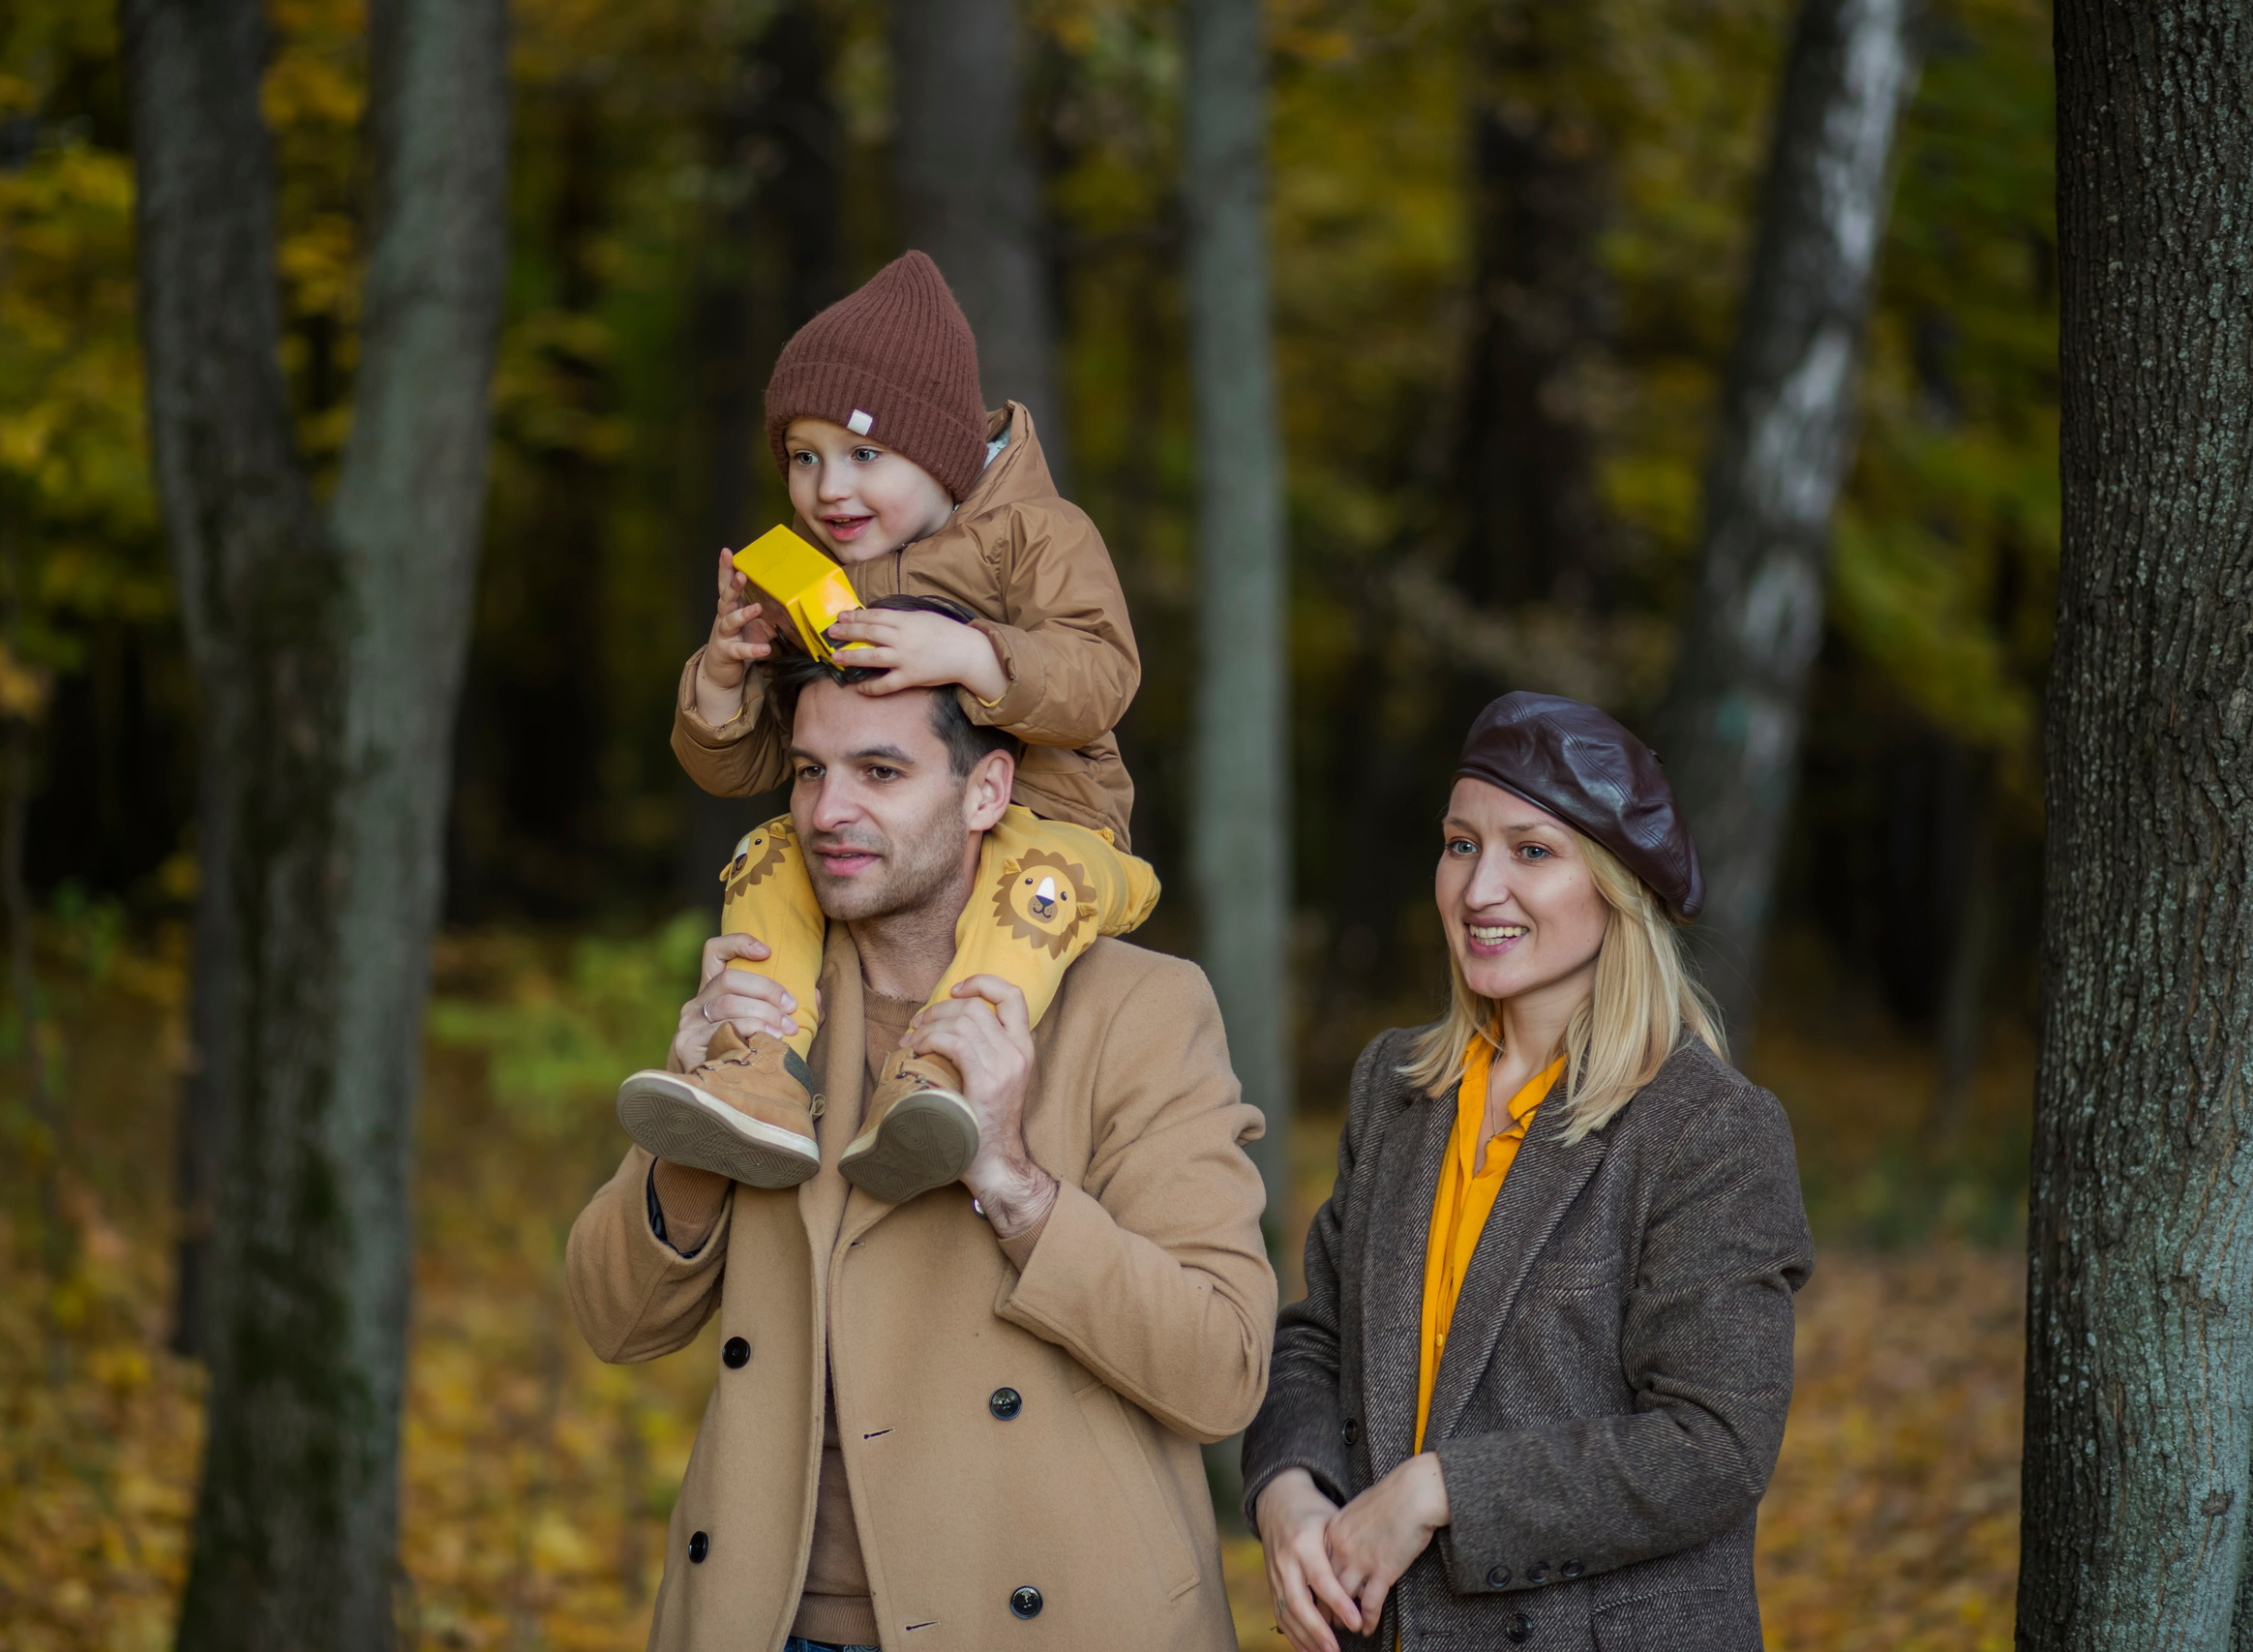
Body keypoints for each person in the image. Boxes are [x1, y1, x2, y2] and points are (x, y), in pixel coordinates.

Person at [566, 657, 1274, 1651]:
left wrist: (1013, 1182)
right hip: (762, 1623)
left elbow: (1221, 1371)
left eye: (880, 772)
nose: (827, 811)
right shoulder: (771, 995)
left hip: (1044, 1624)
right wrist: (701, 1126)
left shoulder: (1137, 1008)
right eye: (809, 772)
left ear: (985, 791)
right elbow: (615, 1320)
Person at [1243, 691, 1814, 1652]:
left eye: (1532, 851)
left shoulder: (1708, 1129)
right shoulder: (1396, 1086)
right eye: (1460, 844)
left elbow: (1712, 1445)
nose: (1479, 889)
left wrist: (1440, 1492)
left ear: (1618, 886)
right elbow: (1318, 1339)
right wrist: (1289, 1493)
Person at [614, 249, 1157, 1206]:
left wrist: (977, 656)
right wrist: (726, 677)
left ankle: (938, 1078)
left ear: (940, 454)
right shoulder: (816, 577)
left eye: (865, 455)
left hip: (1059, 828)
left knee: (1029, 887)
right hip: (899, 850)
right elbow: (752, 764)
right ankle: (757, 1065)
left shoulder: (1033, 535)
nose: (830, 489)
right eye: (804, 457)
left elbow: (1104, 674)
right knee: (767, 855)